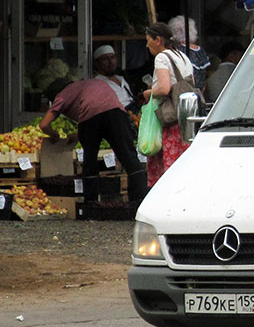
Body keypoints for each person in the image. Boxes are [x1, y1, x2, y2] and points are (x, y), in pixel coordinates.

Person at [39, 77, 147, 206]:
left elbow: (44, 125)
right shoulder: (94, 83)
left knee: (90, 160)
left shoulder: (62, 95)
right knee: (129, 157)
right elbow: (101, 111)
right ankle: (139, 201)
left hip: (90, 119)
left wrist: (54, 134)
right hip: (117, 116)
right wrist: (79, 135)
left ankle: (91, 203)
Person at [142, 21, 195, 188]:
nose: (146, 44)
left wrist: (147, 93)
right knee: (182, 166)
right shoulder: (182, 56)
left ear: (158, 40)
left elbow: (164, 89)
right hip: (184, 119)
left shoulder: (161, 57)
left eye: (148, 39)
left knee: (167, 170)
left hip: (169, 119)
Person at [168, 14, 210, 95]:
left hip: (185, 93)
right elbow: (206, 73)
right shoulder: (200, 51)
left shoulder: (179, 50)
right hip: (200, 93)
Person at [92, 44, 138, 111]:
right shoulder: (97, 83)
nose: (110, 62)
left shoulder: (121, 78)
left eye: (112, 57)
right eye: (105, 59)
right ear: (97, 63)